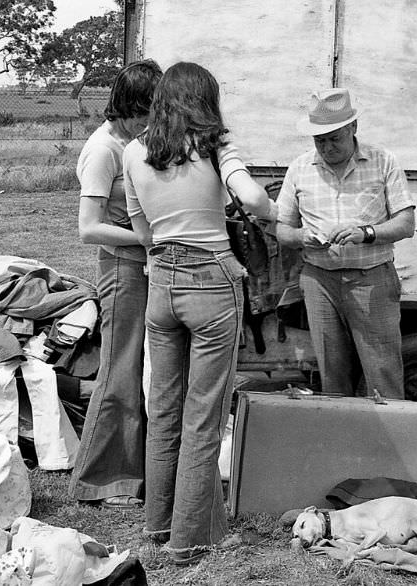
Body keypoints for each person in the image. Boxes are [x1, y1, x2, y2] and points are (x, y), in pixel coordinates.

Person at [123, 61, 271, 565]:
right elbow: (255, 200)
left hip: (161, 281)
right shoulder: (215, 146)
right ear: (205, 101)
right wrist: (259, 199)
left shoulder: (134, 150)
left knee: (163, 410)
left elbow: (142, 229)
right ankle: (191, 539)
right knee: (204, 416)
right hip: (211, 283)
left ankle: (159, 526)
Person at [276, 88, 415, 398]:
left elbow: (406, 224)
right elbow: (282, 230)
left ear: (353, 128)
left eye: (334, 138)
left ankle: (388, 444)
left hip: (372, 278)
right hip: (319, 280)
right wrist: (302, 237)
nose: (327, 147)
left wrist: (366, 233)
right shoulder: (299, 168)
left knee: (382, 370)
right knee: (331, 373)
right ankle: (341, 442)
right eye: (319, 140)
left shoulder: (383, 161)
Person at [68, 59, 162, 509]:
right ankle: (102, 479)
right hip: (122, 268)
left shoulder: (136, 142)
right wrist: (147, 239)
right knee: (120, 370)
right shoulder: (104, 149)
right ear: (126, 107)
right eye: (145, 112)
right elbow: (89, 227)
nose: (151, 122)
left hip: (145, 265)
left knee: (144, 369)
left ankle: (137, 469)